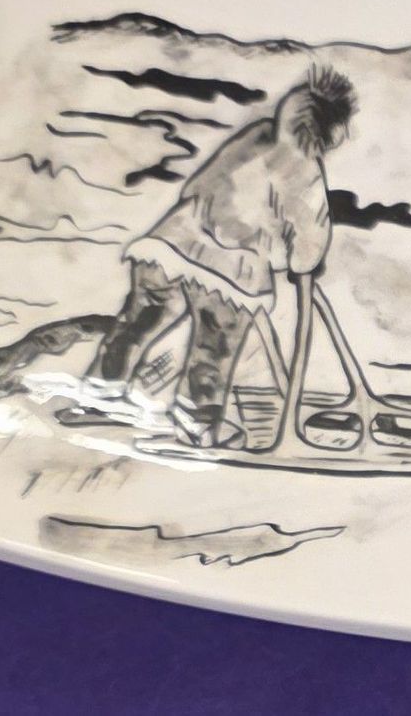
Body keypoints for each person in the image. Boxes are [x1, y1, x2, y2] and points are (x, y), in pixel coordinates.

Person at [61, 66, 356, 448]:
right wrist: (304, 264)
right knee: (214, 345)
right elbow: (309, 236)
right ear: (327, 129)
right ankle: (195, 423)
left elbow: (200, 182)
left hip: (173, 239)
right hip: (229, 271)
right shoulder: (304, 170)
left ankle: (99, 395)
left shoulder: (257, 136)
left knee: (140, 319)